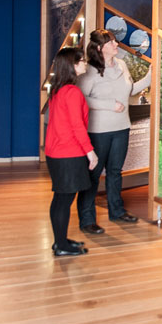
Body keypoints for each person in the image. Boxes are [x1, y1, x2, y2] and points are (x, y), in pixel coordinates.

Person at [76, 29, 151, 234]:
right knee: (93, 175)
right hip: (98, 131)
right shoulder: (89, 71)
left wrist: (150, 76)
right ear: (100, 48)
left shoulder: (122, 65)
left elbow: (130, 90)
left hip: (122, 127)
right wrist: (108, 105)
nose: (116, 45)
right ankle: (87, 219)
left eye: (116, 42)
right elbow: (81, 100)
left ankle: (117, 211)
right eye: (112, 43)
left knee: (116, 172)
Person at [45, 47, 98, 256]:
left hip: (56, 152)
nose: (85, 63)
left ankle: (60, 241)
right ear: (72, 65)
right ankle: (61, 246)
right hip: (68, 153)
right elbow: (77, 126)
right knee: (64, 200)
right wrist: (90, 152)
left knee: (61, 198)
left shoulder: (57, 90)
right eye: (81, 61)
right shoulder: (73, 92)